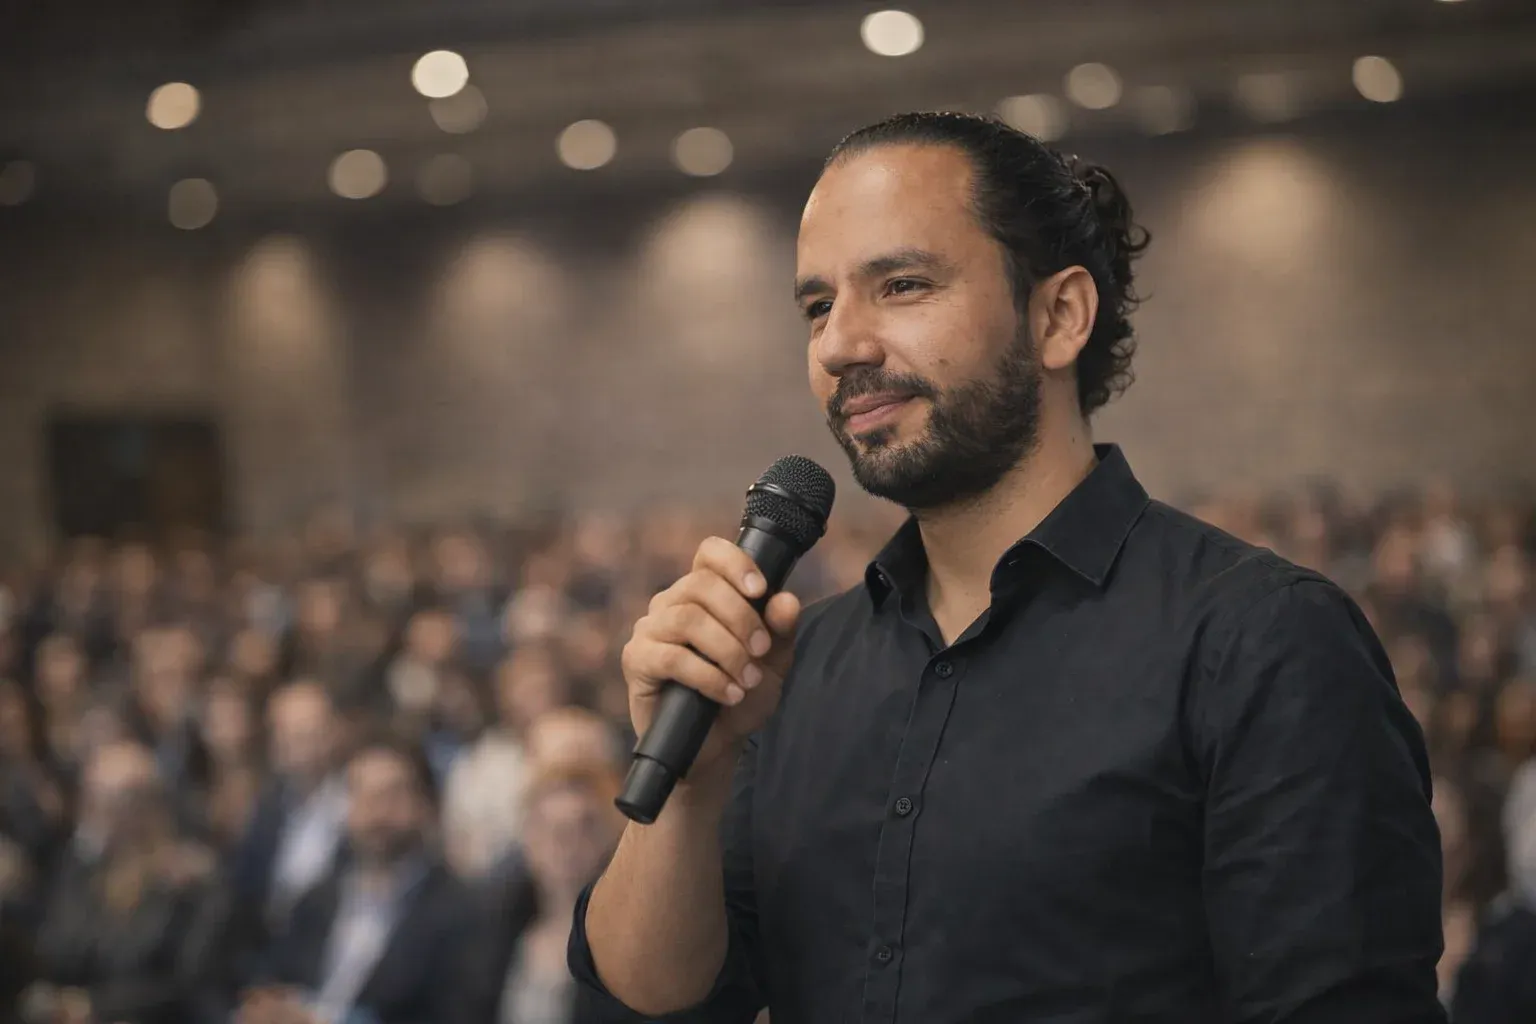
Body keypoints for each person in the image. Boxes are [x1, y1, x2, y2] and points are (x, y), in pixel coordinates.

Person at [571, 112, 1446, 1022]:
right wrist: (693, 786)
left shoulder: (1262, 641)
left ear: (1058, 316)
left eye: (902, 285)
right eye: (818, 306)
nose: (839, 345)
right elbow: (650, 1005)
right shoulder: (792, 669)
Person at [246, 730, 475, 1024]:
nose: (375, 811)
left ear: (425, 805)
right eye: (361, 794)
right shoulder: (318, 898)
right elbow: (272, 979)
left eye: (391, 795)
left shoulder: (457, 911)